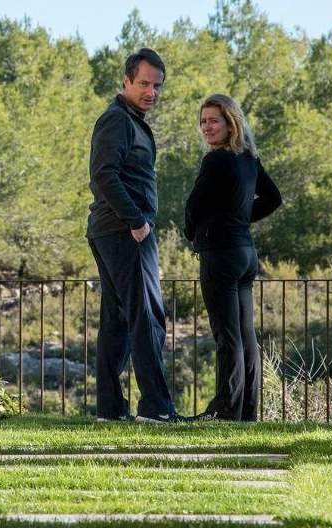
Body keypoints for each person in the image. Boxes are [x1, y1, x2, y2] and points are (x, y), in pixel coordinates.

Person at [86, 49, 184, 424]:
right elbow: (104, 175)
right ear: (126, 82)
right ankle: (156, 408)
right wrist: (136, 221)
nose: (151, 92)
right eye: (143, 83)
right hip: (124, 232)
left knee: (118, 321)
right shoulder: (117, 120)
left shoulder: (131, 120)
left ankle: (110, 411)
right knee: (147, 316)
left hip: (114, 231)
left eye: (156, 86)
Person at [184, 94, 283, 422]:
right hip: (245, 254)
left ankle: (225, 411)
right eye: (203, 121)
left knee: (228, 336)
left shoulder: (216, 160)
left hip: (221, 255)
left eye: (213, 121)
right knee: (244, 335)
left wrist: (192, 232)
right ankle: (246, 412)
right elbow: (273, 198)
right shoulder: (248, 158)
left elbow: (193, 206)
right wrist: (239, 218)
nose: (206, 128)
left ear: (230, 123)